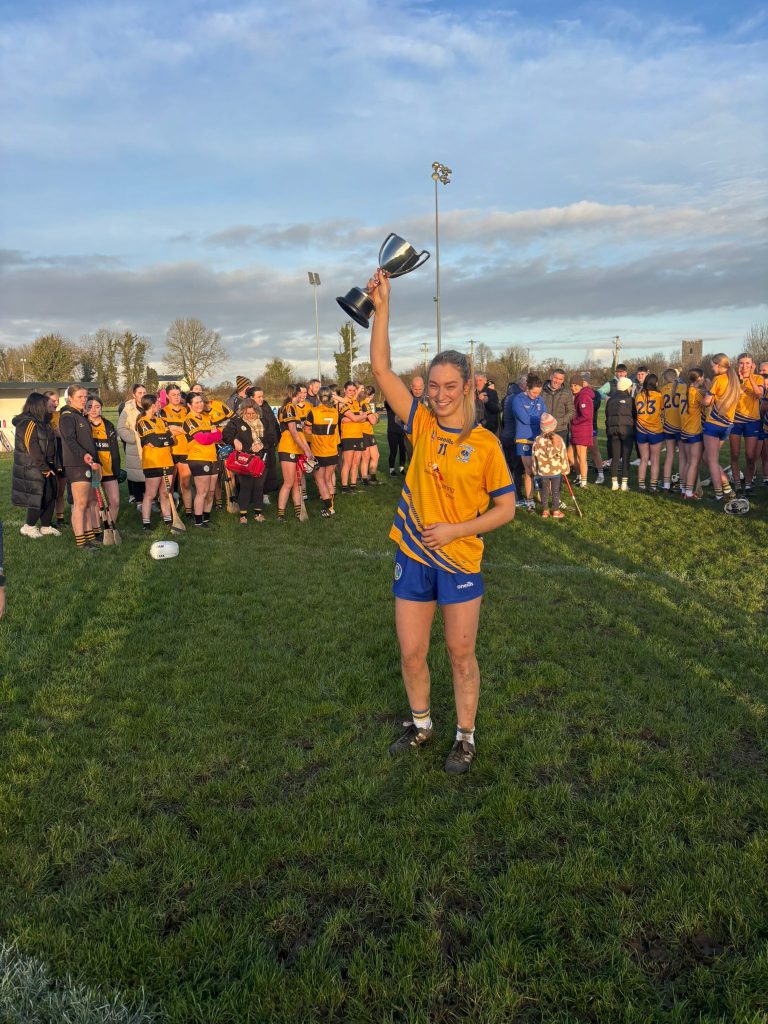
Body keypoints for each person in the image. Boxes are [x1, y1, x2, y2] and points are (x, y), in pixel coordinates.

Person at [368, 268, 516, 776]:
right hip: (412, 555)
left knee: (459, 654)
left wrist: (457, 529)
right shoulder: (421, 424)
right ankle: (422, 725)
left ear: (468, 386)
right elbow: (382, 369)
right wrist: (383, 307)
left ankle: (465, 736)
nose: (439, 394)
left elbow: (506, 509)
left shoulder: (487, 445)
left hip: (458, 559)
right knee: (411, 653)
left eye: (449, 386)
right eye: (433, 385)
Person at [59, 384, 101, 550]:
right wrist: (83, 455)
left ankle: (90, 537)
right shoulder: (68, 416)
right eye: (80, 397)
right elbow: (70, 440)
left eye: (85, 397)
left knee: (90, 501)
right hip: (77, 464)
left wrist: (95, 461)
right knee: (80, 503)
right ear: (70, 398)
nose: (84, 400)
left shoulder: (80, 415)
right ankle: (81, 542)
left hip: (90, 464)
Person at [11, 392, 58, 538]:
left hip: (47, 465)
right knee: (37, 496)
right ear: (38, 405)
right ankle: (28, 527)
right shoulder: (28, 423)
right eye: (46, 403)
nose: (49, 405)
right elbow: (32, 447)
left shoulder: (44, 422)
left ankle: (45, 526)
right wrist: (43, 467)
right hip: (32, 467)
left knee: (51, 494)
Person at [702, 354, 741, 501]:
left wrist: (707, 389)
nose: (712, 368)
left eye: (713, 365)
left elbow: (707, 402)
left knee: (711, 460)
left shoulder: (718, 379)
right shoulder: (734, 379)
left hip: (714, 423)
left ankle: (719, 494)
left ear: (719, 365)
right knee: (707, 457)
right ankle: (727, 488)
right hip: (727, 425)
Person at [223, 398, 267, 523]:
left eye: (253, 413)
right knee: (246, 486)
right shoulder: (236, 422)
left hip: (261, 458)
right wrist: (234, 441)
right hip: (245, 459)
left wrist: (263, 444)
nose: (251, 416)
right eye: (248, 414)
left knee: (259, 486)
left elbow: (272, 435)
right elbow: (226, 434)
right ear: (242, 412)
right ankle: (243, 515)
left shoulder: (263, 421)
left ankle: (258, 513)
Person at [136, 394, 175, 530]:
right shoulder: (142, 422)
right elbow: (155, 441)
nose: (160, 405)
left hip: (167, 460)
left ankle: (168, 520)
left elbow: (171, 440)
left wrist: (162, 440)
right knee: (151, 494)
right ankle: (146, 523)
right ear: (152, 405)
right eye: (158, 403)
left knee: (165, 492)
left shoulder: (162, 421)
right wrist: (163, 439)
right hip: (152, 463)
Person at [184, 392, 222, 527]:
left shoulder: (207, 417)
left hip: (212, 457)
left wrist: (212, 435)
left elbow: (218, 436)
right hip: (198, 459)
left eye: (201, 401)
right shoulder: (189, 420)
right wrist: (211, 435)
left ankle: (206, 519)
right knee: (202, 492)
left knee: (211, 492)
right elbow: (202, 439)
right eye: (196, 402)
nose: (200, 404)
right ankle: (198, 522)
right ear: (189, 405)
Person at [277, 384, 313, 523]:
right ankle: (280, 514)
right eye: (301, 393)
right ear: (295, 394)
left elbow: (300, 432)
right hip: (287, 449)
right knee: (288, 482)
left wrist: (308, 451)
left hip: (296, 450)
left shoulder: (295, 409)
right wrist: (305, 449)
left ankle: (299, 513)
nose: (303, 396)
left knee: (297, 482)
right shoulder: (289, 408)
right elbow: (293, 432)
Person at [729, 353, 764, 496]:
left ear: (752, 364)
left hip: (752, 421)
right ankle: (738, 485)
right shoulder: (733, 379)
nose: (744, 366)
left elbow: (759, 394)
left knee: (750, 455)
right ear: (738, 364)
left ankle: (748, 485)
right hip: (735, 421)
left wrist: (749, 377)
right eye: (742, 363)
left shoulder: (758, 378)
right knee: (735, 454)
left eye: (747, 363)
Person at [511, 374, 546, 510]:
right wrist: (537, 417)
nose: (536, 395)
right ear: (527, 388)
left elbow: (544, 416)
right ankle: (530, 500)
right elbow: (525, 419)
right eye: (534, 392)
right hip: (524, 439)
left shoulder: (540, 400)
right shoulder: (517, 399)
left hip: (538, 438)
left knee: (540, 469)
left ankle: (540, 492)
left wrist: (536, 417)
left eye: (538, 393)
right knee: (529, 470)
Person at [85, 395, 121, 529]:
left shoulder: (108, 425)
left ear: (101, 408)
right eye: (90, 407)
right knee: (95, 502)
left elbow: (115, 449)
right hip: (94, 470)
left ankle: (110, 527)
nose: (93, 410)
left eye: (97, 406)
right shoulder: (83, 425)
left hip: (109, 470)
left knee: (115, 501)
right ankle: (98, 529)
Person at [306, 386, 341, 517]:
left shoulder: (313, 411)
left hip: (319, 451)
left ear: (318, 397)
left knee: (320, 481)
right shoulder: (335, 412)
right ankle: (331, 507)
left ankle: (329, 509)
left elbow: (307, 430)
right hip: (332, 451)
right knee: (328, 480)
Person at [160, 385, 193, 518]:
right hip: (170, 452)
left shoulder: (186, 411)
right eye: (173, 395)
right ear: (167, 396)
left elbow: (189, 430)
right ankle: (169, 514)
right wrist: (179, 429)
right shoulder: (163, 412)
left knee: (185, 483)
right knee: (169, 486)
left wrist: (176, 428)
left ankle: (189, 512)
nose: (177, 397)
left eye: (178, 394)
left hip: (185, 450)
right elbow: (166, 431)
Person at [532, 413, 569, 518]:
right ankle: (556, 511)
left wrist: (535, 469)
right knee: (555, 490)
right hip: (556, 470)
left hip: (543, 471)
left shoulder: (538, 440)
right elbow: (563, 455)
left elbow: (534, 456)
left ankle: (545, 511)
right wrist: (565, 469)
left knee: (544, 490)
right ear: (554, 426)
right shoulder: (558, 439)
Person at [604, 377, 635, 490]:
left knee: (615, 457)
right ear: (627, 387)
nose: (631, 388)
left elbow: (607, 415)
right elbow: (634, 415)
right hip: (627, 432)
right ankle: (624, 484)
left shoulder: (610, 400)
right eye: (630, 386)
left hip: (613, 432)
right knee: (626, 458)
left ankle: (614, 483)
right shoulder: (630, 400)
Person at [634, 373, 664, 491]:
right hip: (655, 431)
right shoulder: (659, 396)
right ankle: (653, 485)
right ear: (655, 383)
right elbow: (661, 411)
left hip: (641, 430)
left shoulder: (638, 396)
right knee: (655, 459)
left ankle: (641, 484)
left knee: (644, 458)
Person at [117, 383, 146, 506]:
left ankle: (151, 500)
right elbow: (121, 427)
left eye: (144, 392)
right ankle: (139, 501)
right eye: (140, 393)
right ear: (134, 395)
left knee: (150, 475)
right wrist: (133, 438)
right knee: (137, 475)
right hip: (135, 448)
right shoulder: (128, 409)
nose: (142, 395)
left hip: (151, 447)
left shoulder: (152, 406)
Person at [679, 367, 705, 500]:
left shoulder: (683, 390)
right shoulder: (696, 392)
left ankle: (683, 489)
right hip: (694, 431)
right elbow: (708, 403)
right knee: (693, 463)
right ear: (699, 378)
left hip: (684, 430)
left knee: (688, 462)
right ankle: (689, 493)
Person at [249, 387, 280, 502]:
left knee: (270, 469)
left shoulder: (266, 406)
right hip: (258, 446)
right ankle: (258, 494)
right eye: (259, 397)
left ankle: (266, 492)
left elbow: (274, 423)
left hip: (270, 443)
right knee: (259, 470)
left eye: (262, 396)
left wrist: (277, 438)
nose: (262, 399)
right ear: (252, 398)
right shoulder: (249, 410)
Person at [338, 381, 367, 492]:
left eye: (354, 390)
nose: (352, 392)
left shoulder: (356, 403)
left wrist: (354, 418)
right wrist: (359, 417)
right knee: (348, 462)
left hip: (359, 435)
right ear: (344, 390)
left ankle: (353, 486)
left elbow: (363, 419)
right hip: (348, 436)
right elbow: (358, 418)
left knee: (356, 462)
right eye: (349, 390)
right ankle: (345, 487)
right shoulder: (342, 403)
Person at [660, 368, 685, 492]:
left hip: (668, 426)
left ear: (665, 378)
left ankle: (666, 484)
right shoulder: (683, 388)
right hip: (681, 426)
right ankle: (681, 485)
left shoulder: (663, 390)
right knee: (682, 457)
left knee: (669, 456)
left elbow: (662, 409)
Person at [569, 375, 595, 487]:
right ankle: (579, 476)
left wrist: (573, 421)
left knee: (581, 456)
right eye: (571, 386)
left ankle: (583, 481)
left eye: (575, 385)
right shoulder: (578, 396)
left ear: (580, 385)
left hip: (582, 431)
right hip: (576, 431)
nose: (573, 388)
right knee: (569, 454)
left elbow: (587, 415)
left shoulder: (584, 397)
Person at [359, 384, 381, 484]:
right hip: (363, 432)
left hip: (369, 432)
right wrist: (376, 417)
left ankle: (372, 478)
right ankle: (364, 479)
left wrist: (374, 417)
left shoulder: (365, 404)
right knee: (366, 457)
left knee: (375, 455)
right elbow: (372, 421)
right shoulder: (365, 404)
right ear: (372, 395)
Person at [384, 398, 406, 475]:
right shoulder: (390, 406)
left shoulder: (403, 408)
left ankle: (402, 469)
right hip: (392, 432)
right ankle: (391, 470)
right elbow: (387, 400)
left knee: (403, 451)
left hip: (403, 432)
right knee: (393, 451)